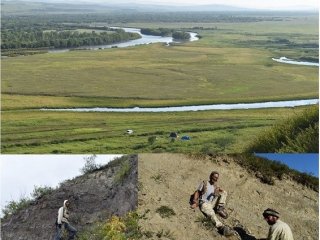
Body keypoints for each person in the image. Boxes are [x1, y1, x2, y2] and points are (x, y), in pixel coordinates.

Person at [191, 171, 234, 237]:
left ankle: (220, 208)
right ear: (211, 176)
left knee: (224, 192)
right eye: (214, 177)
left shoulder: (215, 186)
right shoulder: (205, 183)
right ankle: (221, 227)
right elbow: (197, 192)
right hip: (204, 203)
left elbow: (220, 193)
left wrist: (218, 191)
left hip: (211, 203)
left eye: (217, 178)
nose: (215, 179)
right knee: (211, 214)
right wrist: (195, 202)